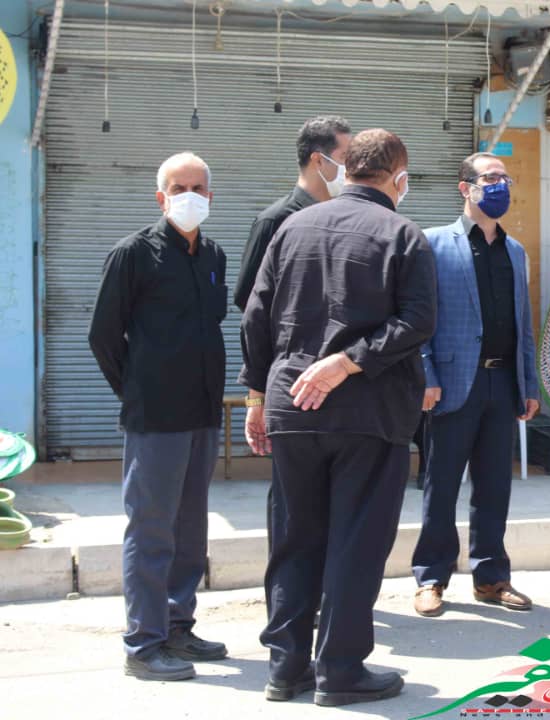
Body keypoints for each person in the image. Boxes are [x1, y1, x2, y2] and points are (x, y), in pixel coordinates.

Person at [239, 129, 436, 706]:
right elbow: (418, 321)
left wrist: (257, 396)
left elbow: (255, 316)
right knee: (356, 542)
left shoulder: (292, 227)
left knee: (294, 537)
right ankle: (341, 671)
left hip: (292, 405)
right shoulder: (403, 234)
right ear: (398, 177)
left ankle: (285, 668)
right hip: (367, 412)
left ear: (344, 170)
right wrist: (349, 362)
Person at [88, 151, 228, 681]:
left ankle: (176, 625)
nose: (189, 196)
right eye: (178, 188)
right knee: (151, 529)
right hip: (155, 417)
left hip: (202, 411)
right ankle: (143, 644)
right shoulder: (133, 254)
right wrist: (136, 390)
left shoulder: (213, 255)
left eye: (198, 187)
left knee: (190, 528)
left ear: (210, 196)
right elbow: (103, 336)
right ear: (160, 197)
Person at [411, 152, 540, 618]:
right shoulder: (433, 243)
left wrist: (529, 383)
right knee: (441, 484)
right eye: (490, 178)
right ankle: (431, 577)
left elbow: (523, 323)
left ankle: (491, 577)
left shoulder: (515, 251)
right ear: (465, 187)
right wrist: (426, 375)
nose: (500, 185)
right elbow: (418, 318)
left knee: (494, 486)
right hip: (452, 384)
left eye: (505, 178)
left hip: (501, 382)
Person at [233, 115, 352, 311]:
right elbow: (247, 297)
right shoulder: (274, 221)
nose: (352, 168)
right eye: (345, 158)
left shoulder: (344, 220)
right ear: (318, 160)